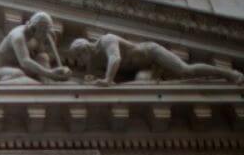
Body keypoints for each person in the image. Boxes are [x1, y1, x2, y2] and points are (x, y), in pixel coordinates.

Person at [70, 34, 244, 86]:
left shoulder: (106, 40)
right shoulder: (93, 62)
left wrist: (107, 80)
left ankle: (228, 73)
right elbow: (90, 79)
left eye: (78, 57)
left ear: (84, 49)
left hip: (151, 53)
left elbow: (115, 59)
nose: (80, 62)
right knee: (140, 84)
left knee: (185, 70)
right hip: (143, 69)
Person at [0, 12, 70, 83]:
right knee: (17, 74)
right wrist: (50, 73)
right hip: (0, 70)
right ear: (33, 29)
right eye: (44, 32)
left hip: (22, 69)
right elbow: (25, 61)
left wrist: (59, 72)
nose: (45, 36)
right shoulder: (18, 37)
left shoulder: (36, 37)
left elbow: (44, 57)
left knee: (43, 56)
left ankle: (46, 84)